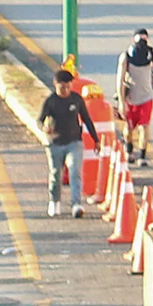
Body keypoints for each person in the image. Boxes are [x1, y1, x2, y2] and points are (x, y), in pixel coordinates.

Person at [36, 68, 98, 219]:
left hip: (74, 142)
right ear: (55, 85)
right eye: (62, 87)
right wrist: (45, 128)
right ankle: (54, 201)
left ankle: (76, 204)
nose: (65, 90)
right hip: (55, 143)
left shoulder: (76, 100)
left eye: (68, 86)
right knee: (56, 174)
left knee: (74, 171)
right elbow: (39, 120)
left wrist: (96, 139)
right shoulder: (51, 101)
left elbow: (87, 119)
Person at [114, 27, 153, 168]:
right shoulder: (126, 56)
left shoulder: (150, 53)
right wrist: (121, 102)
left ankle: (142, 156)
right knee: (129, 127)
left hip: (146, 97)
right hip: (131, 98)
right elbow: (120, 80)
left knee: (144, 127)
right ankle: (129, 150)